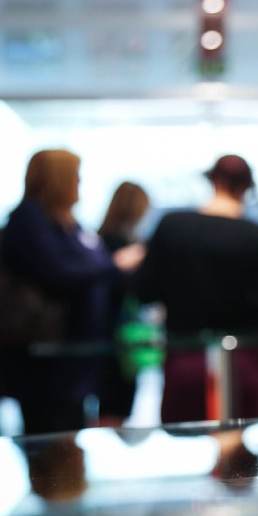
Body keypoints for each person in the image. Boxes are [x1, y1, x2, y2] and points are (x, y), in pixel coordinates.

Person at [0, 149, 143, 435]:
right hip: (45, 359)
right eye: (75, 177)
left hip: (73, 357)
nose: (79, 184)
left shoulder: (65, 223)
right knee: (51, 444)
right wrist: (115, 264)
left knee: (69, 441)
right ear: (59, 179)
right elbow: (58, 275)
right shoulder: (30, 221)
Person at [131, 154, 258, 424]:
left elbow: (146, 290)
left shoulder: (172, 226)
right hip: (244, 361)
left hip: (185, 360)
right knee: (241, 455)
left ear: (214, 180)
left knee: (185, 449)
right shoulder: (256, 236)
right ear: (247, 187)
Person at [95, 181, 151, 426]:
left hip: (110, 331)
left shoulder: (100, 239)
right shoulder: (119, 244)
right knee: (114, 402)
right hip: (115, 334)